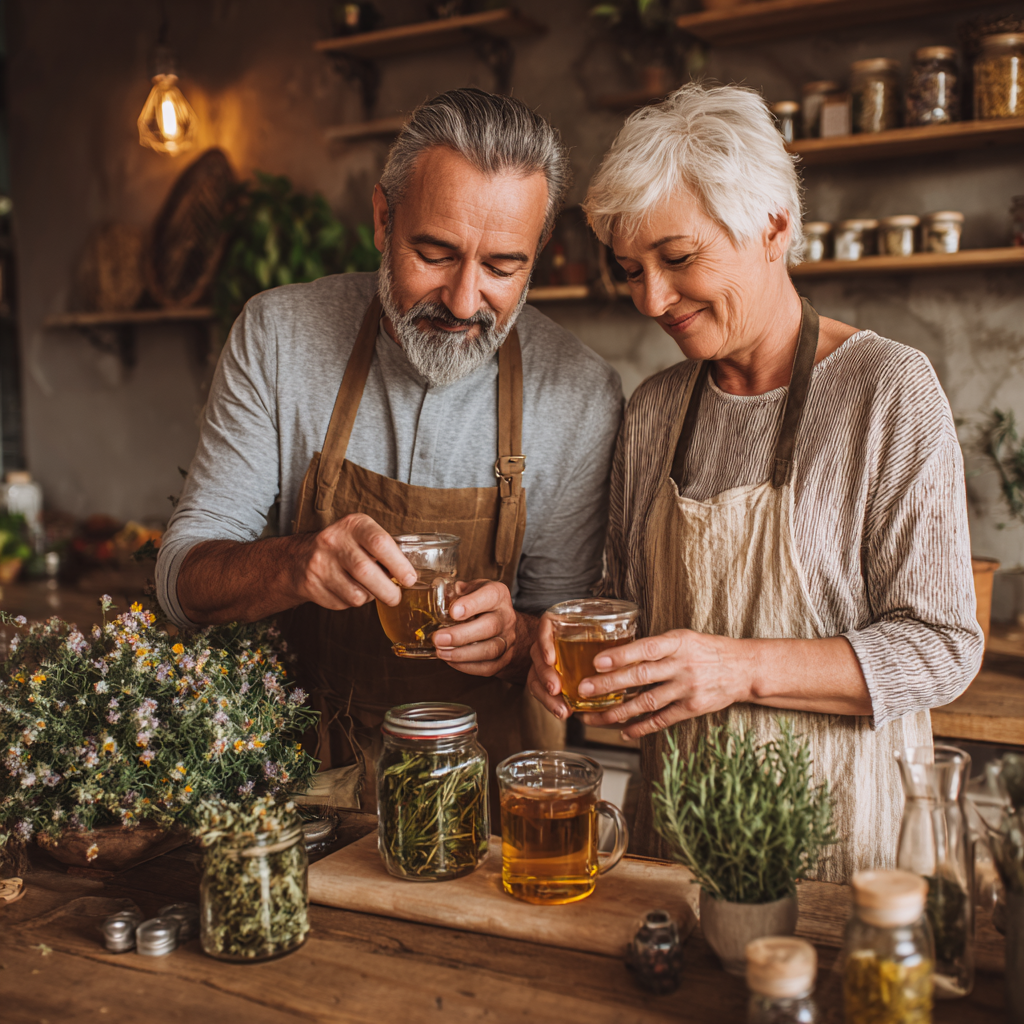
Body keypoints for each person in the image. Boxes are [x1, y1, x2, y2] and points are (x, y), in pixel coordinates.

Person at [526, 83, 983, 881]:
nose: (652, 300)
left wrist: (739, 667)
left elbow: (942, 649)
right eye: (631, 271)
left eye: (677, 259)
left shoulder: (888, 390)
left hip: (838, 858)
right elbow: (619, 600)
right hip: (675, 847)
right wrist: (570, 653)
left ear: (773, 227)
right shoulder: (654, 410)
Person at [156, 88, 623, 811]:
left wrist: (519, 636)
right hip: (291, 789)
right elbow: (181, 583)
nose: (465, 301)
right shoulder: (277, 337)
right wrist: (295, 561)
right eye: (434, 253)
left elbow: (563, 641)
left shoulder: (582, 394)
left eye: (503, 267)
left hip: (481, 797)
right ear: (383, 218)